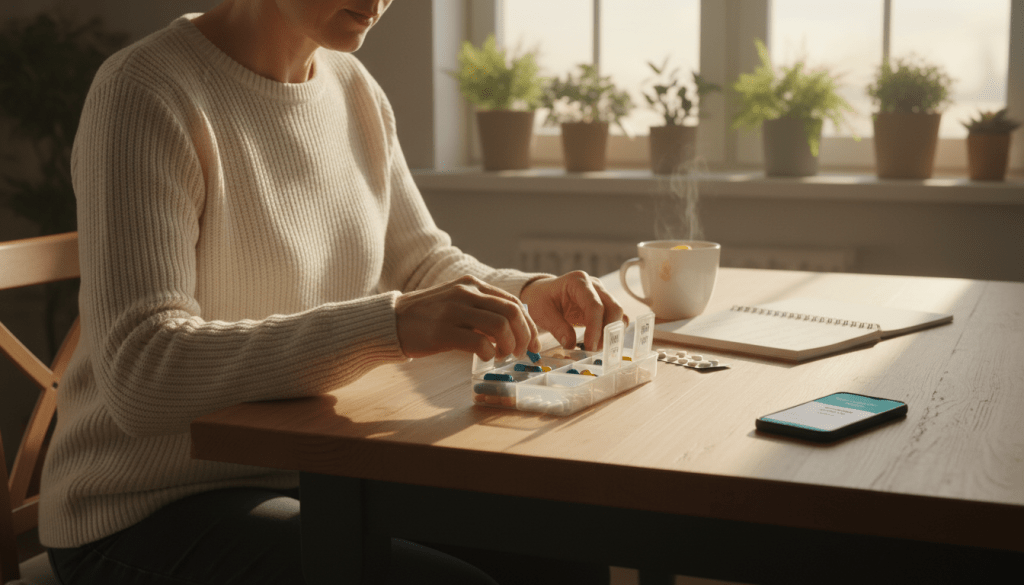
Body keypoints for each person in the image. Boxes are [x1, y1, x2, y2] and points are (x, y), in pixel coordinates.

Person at [38, 1, 624, 583]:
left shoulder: (353, 88)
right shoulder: (144, 91)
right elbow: (141, 372)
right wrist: (388, 327)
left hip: (317, 474)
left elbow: (420, 265)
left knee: (564, 550)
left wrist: (531, 293)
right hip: (143, 511)